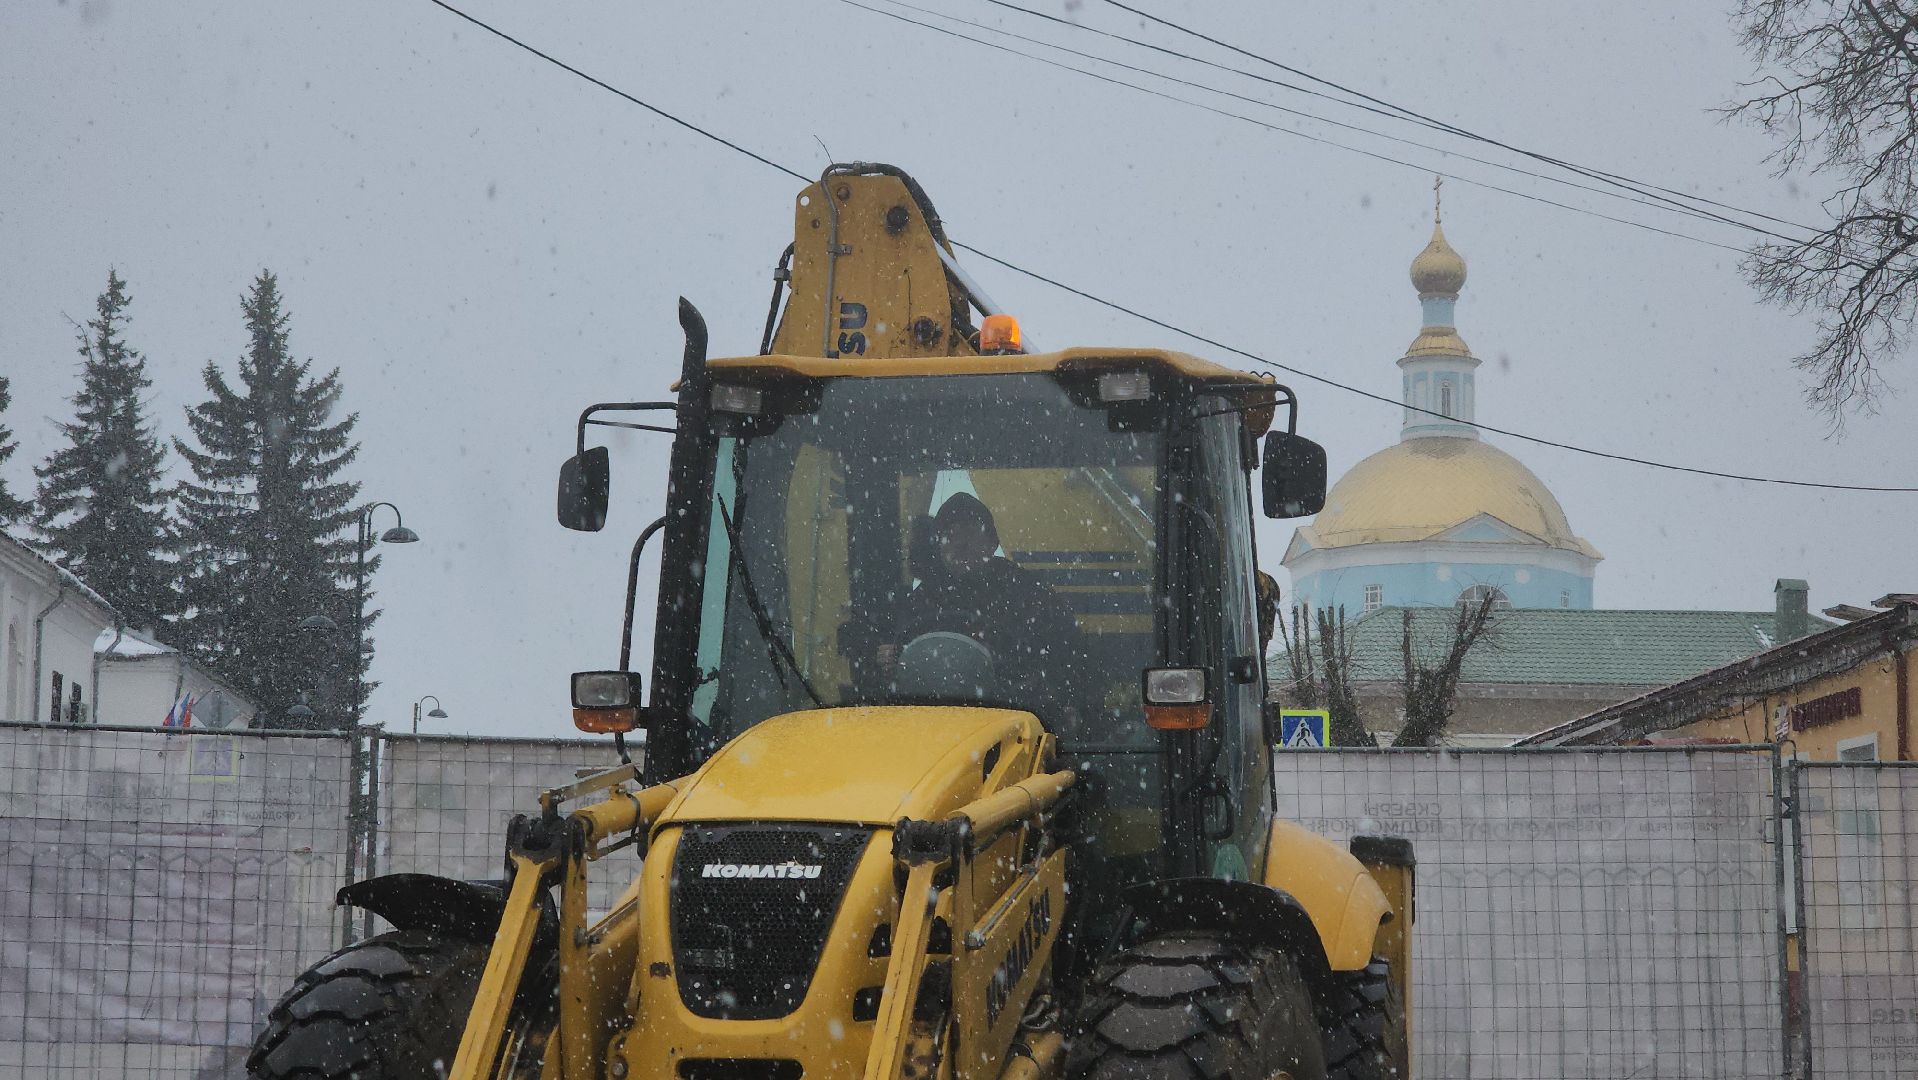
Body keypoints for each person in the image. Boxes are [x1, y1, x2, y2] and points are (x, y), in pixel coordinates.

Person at [880, 492, 1083, 707]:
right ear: (938, 546)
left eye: (970, 532)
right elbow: (901, 653)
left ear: (992, 542)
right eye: (949, 534)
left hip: (1015, 715)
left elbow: (1064, 656)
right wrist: (891, 662)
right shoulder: (921, 600)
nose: (959, 543)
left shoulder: (1028, 593)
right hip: (934, 717)